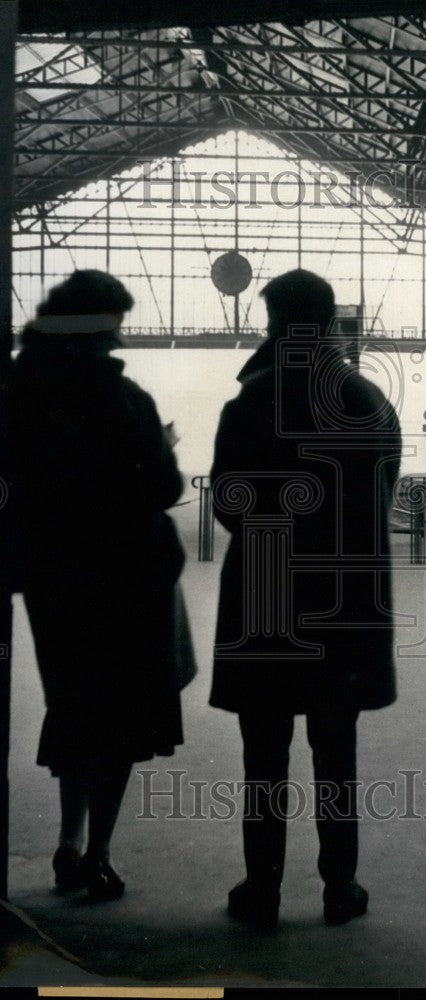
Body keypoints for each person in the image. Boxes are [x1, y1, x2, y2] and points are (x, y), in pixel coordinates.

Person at [210, 269, 401, 930]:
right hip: (346, 604)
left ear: (271, 323)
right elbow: (383, 497)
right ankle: (338, 888)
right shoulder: (368, 400)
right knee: (335, 749)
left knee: (262, 752)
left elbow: (230, 505)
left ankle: (261, 890)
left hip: (265, 600)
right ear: (329, 324)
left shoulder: (248, 404)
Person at [9, 270, 189, 902]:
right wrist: (161, 448)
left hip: (52, 581)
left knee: (73, 706)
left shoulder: (19, 389)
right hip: (124, 580)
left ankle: (65, 841)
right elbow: (165, 489)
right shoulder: (123, 399)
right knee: (117, 722)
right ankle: (99, 856)